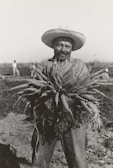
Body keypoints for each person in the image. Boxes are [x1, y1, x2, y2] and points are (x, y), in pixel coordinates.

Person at [31, 28, 89, 168]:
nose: (63, 49)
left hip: (72, 117)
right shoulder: (45, 65)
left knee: (77, 160)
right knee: (40, 159)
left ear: (72, 49)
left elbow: (84, 89)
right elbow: (37, 89)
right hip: (48, 117)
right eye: (60, 45)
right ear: (53, 46)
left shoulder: (79, 65)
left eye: (67, 46)